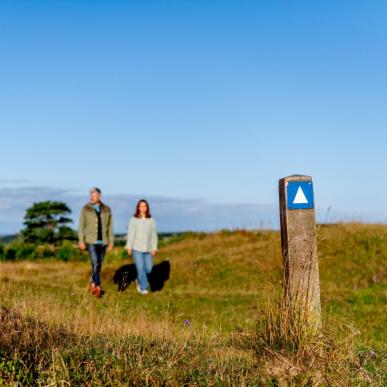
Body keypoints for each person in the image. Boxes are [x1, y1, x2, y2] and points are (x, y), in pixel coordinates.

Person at [78, 187, 114, 297]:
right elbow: (81, 226)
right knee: (95, 264)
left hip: (103, 241)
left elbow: (110, 226)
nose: (91, 197)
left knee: (98, 265)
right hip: (90, 241)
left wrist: (111, 242)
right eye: (91, 195)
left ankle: (93, 283)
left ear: (99, 196)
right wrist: (81, 241)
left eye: (94, 195)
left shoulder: (106, 209)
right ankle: (98, 286)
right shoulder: (86, 208)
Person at [126, 199, 158, 295]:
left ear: (147, 208)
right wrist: (129, 247)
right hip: (137, 248)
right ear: (138, 208)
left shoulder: (151, 220)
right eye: (141, 206)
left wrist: (154, 247)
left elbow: (154, 234)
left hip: (148, 249)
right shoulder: (134, 219)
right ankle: (143, 287)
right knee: (140, 267)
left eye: (144, 206)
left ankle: (139, 279)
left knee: (149, 268)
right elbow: (131, 234)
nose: (143, 208)